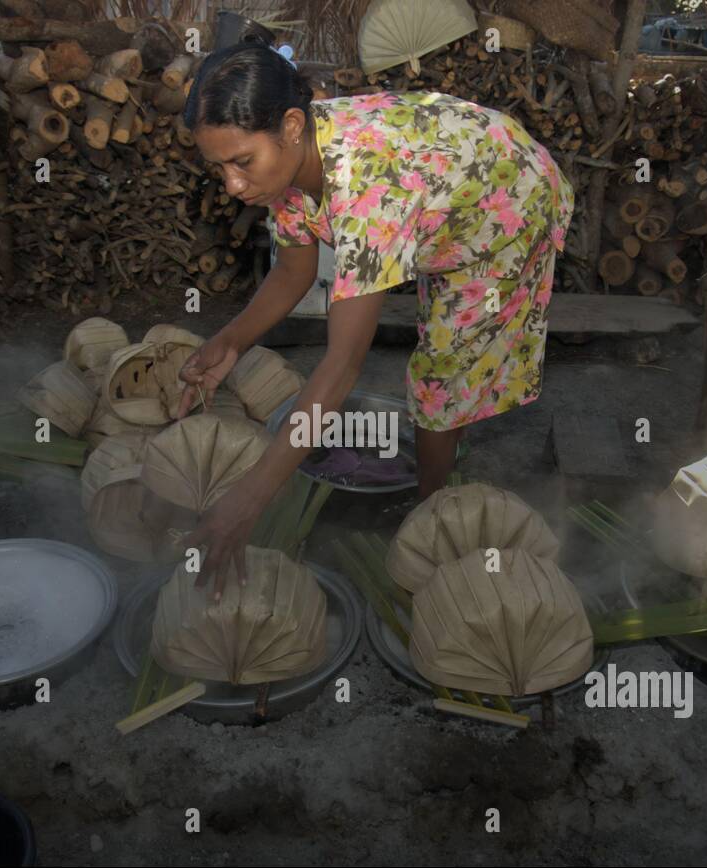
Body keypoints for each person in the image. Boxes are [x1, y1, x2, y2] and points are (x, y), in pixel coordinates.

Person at [175, 41, 575, 599]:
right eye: (218, 166)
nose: (233, 185)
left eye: (241, 162)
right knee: (439, 350)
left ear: (292, 126)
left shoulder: (367, 189)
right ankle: (432, 511)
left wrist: (248, 499)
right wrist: (230, 340)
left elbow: (341, 367)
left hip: (505, 201)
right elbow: (293, 272)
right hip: (442, 188)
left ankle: (431, 524)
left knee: (441, 379)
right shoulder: (289, 160)